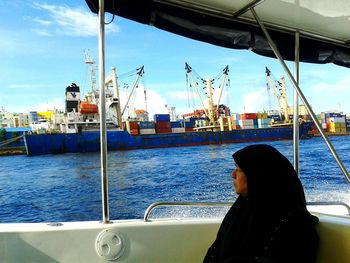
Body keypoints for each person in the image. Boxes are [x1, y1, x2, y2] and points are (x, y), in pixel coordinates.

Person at [203, 144, 319, 263]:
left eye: (238, 170)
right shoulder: (243, 207)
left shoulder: (295, 225)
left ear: (257, 176)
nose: (232, 174)